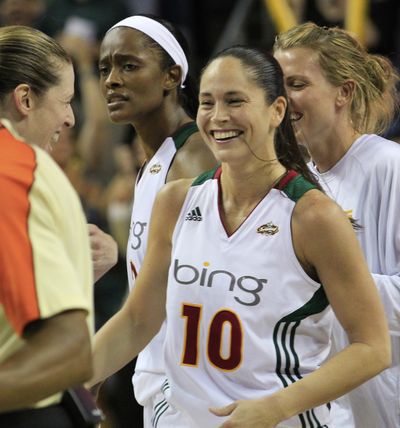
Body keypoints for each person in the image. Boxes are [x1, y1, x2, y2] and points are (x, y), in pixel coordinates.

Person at [89, 45, 390, 427]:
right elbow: (137, 320)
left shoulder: (314, 217)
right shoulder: (176, 200)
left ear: (276, 110)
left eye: (235, 101)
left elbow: (372, 347)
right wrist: (70, 382)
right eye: (207, 103)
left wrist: (277, 406)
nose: (218, 117)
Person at [273, 21, 400, 428]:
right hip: (336, 407)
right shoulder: (299, 184)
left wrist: (328, 280)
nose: (283, 98)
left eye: (297, 83)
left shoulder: (389, 167)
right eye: (277, 85)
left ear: (343, 92)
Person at [95, 14, 216, 426]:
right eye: (104, 67)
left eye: (129, 65)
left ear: (171, 75)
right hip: (159, 377)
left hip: (193, 386)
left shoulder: (195, 158)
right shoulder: (153, 162)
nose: (111, 79)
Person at [0, 26, 95, 427]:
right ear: (24, 99)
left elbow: (70, 349)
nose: (70, 118)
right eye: (67, 102)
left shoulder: (11, 171)